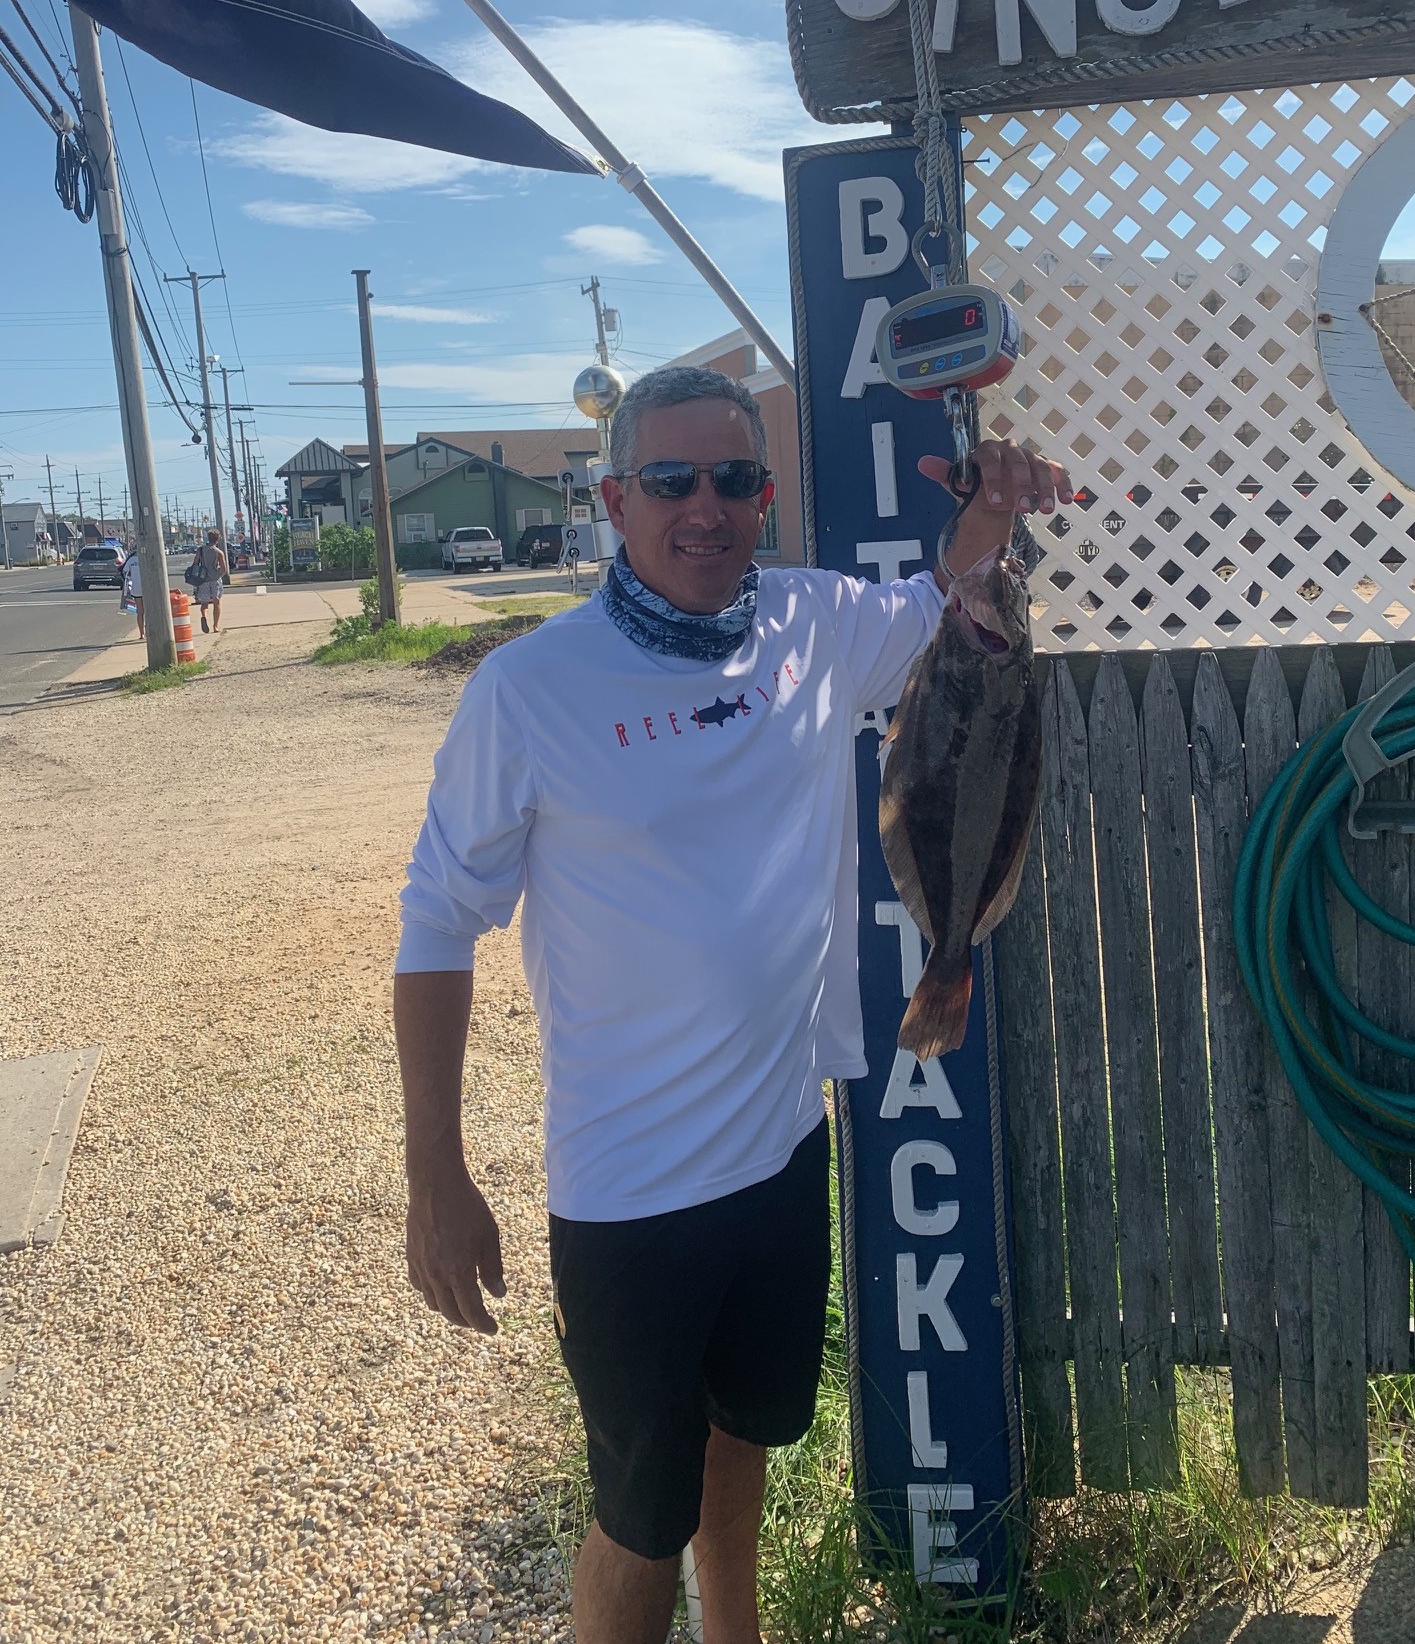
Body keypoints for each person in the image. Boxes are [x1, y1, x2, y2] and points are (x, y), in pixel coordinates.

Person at [392, 366, 1074, 1644]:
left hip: (778, 1154)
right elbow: (437, 922)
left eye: (733, 479)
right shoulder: (531, 687)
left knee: (741, 1445)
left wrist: (990, 514)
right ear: (613, 498)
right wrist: (437, 1171)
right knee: (638, 1517)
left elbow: (957, 608)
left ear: (766, 494)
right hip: (626, 1192)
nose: (704, 508)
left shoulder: (817, 626)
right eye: (669, 481)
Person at [194, 527, 229, 634]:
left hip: (203, 579)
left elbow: (195, 564)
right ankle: (215, 626)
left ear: (208, 538)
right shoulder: (219, 552)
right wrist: (219, 575)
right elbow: (224, 569)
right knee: (216, 603)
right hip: (215, 579)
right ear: (217, 539)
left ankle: (204, 616)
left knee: (204, 604)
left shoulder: (200, 550)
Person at [121, 542, 144, 639]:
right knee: (149, 612)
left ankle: (141, 634)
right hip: (148, 588)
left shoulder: (131, 560)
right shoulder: (146, 558)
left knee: (140, 612)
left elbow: (125, 572)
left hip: (136, 588)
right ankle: (147, 632)